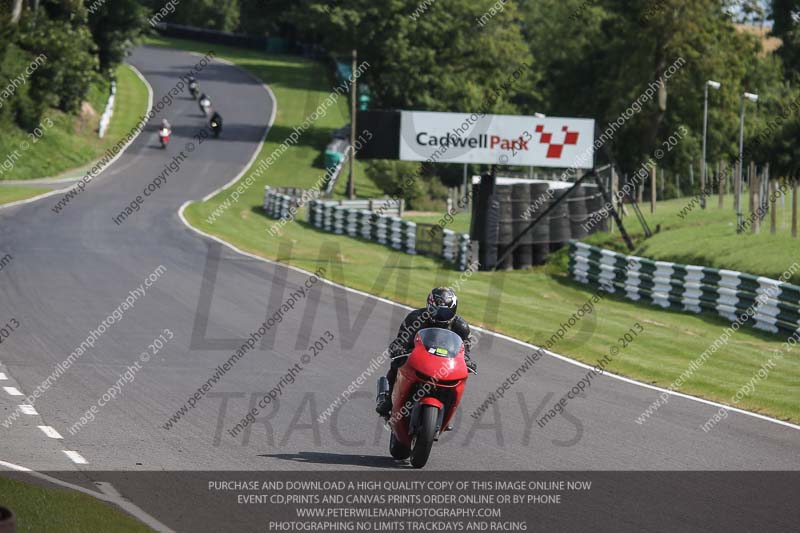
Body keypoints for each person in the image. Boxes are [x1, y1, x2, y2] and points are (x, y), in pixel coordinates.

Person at [376, 287, 476, 417]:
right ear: (429, 306)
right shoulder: (415, 318)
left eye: (445, 312)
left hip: (444, 364)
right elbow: (401, 339)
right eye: (436, 311)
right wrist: (399, 349)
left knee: (460, 379)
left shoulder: (461, 327)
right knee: (397, 362)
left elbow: (464, 350)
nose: (441, 316)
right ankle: (388, 399)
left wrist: (467, 361)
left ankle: (448, 413)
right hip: (416, 357)